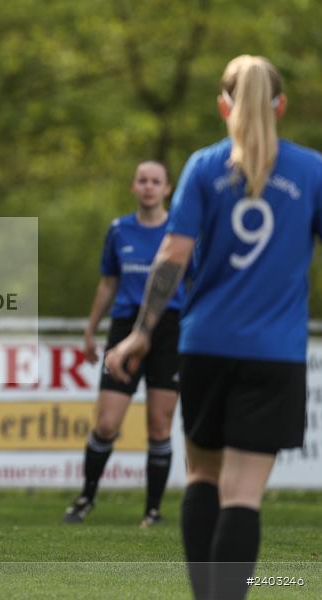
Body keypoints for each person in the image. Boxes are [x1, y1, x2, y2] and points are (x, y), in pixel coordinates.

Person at [105, 55, 321, 600]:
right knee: (243, 495)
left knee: (202, 479)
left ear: (223, 105)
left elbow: (171, 258)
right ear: (281, 106)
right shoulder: (312, 171)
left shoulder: (204, 166)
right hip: (276, 354)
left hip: (204, 346)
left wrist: (141, 331)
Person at [63, 161, 184, 528]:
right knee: (107, 423)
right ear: (134, 187)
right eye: (142, 181)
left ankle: (152, 511)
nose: (148, 187)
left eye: (156, 181)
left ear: (167, 189)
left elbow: (198, 284)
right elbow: (108, 284)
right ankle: (86, 498)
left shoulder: (180, 231)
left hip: (169, 330)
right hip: (123, 330)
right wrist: (91, 329)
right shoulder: (120, 230)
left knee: (160, 425)